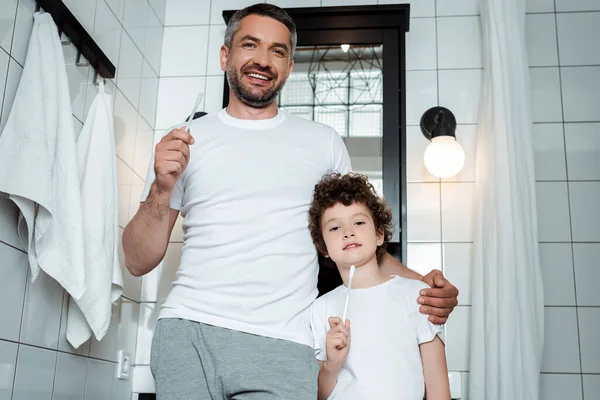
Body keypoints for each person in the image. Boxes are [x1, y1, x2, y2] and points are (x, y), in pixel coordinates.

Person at [122, 3, 458, 399]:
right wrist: (161, 187)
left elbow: (354, 238)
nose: (263, 60)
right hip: (189, 331)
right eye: (250, 45)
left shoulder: (323, 143)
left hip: (285, 340)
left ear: (289, 66)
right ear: (225, 55)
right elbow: (136, 260)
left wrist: (424, 287)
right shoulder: (184, 141)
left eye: (277, 51)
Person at [308, 173, 450, 400]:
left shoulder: (416, 296)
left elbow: (438, 388)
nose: (348, 231)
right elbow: (320, 395)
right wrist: (332, 365)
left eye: (359, 222)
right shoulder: (321, 309)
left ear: (379, 234)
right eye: (335, 228)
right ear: (324, 247)